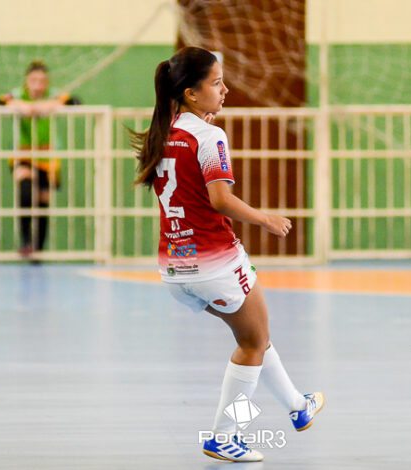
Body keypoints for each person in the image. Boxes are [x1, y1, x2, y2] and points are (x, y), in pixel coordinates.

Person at [133, 47, 324, 462]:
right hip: (215, 262)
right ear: (191, 93)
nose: (226, 90)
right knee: (252, 344)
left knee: (254, 335)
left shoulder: (164, 131)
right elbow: (220, 199)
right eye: (217, 82)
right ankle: (224, 436)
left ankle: (298, 406)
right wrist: (265, 219)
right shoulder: (209, 136)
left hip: (175, 266)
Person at [0, 60, 81, 260]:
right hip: (23, 153)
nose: (38, 86)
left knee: (42, 200)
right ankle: (26, 242)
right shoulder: (16, 94)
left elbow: (75, 102)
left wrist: (47, 106)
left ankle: (38, 248)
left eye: (42, 81)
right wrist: (20, 106)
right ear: (26, 81)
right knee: (25, 190)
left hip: (47, 156)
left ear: (47, 83)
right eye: (33, 81)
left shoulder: (54, 95)